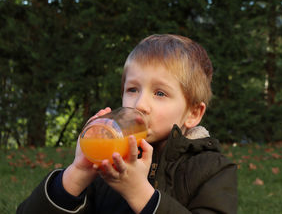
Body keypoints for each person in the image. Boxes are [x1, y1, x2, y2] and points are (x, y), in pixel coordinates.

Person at [17, 34, 237, 213]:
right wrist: (77, 174)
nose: (140, 104)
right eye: (132, 89)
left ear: (193, 113)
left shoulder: (212, 170)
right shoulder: (107, 166)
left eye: (160, 93)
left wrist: (138, 192)